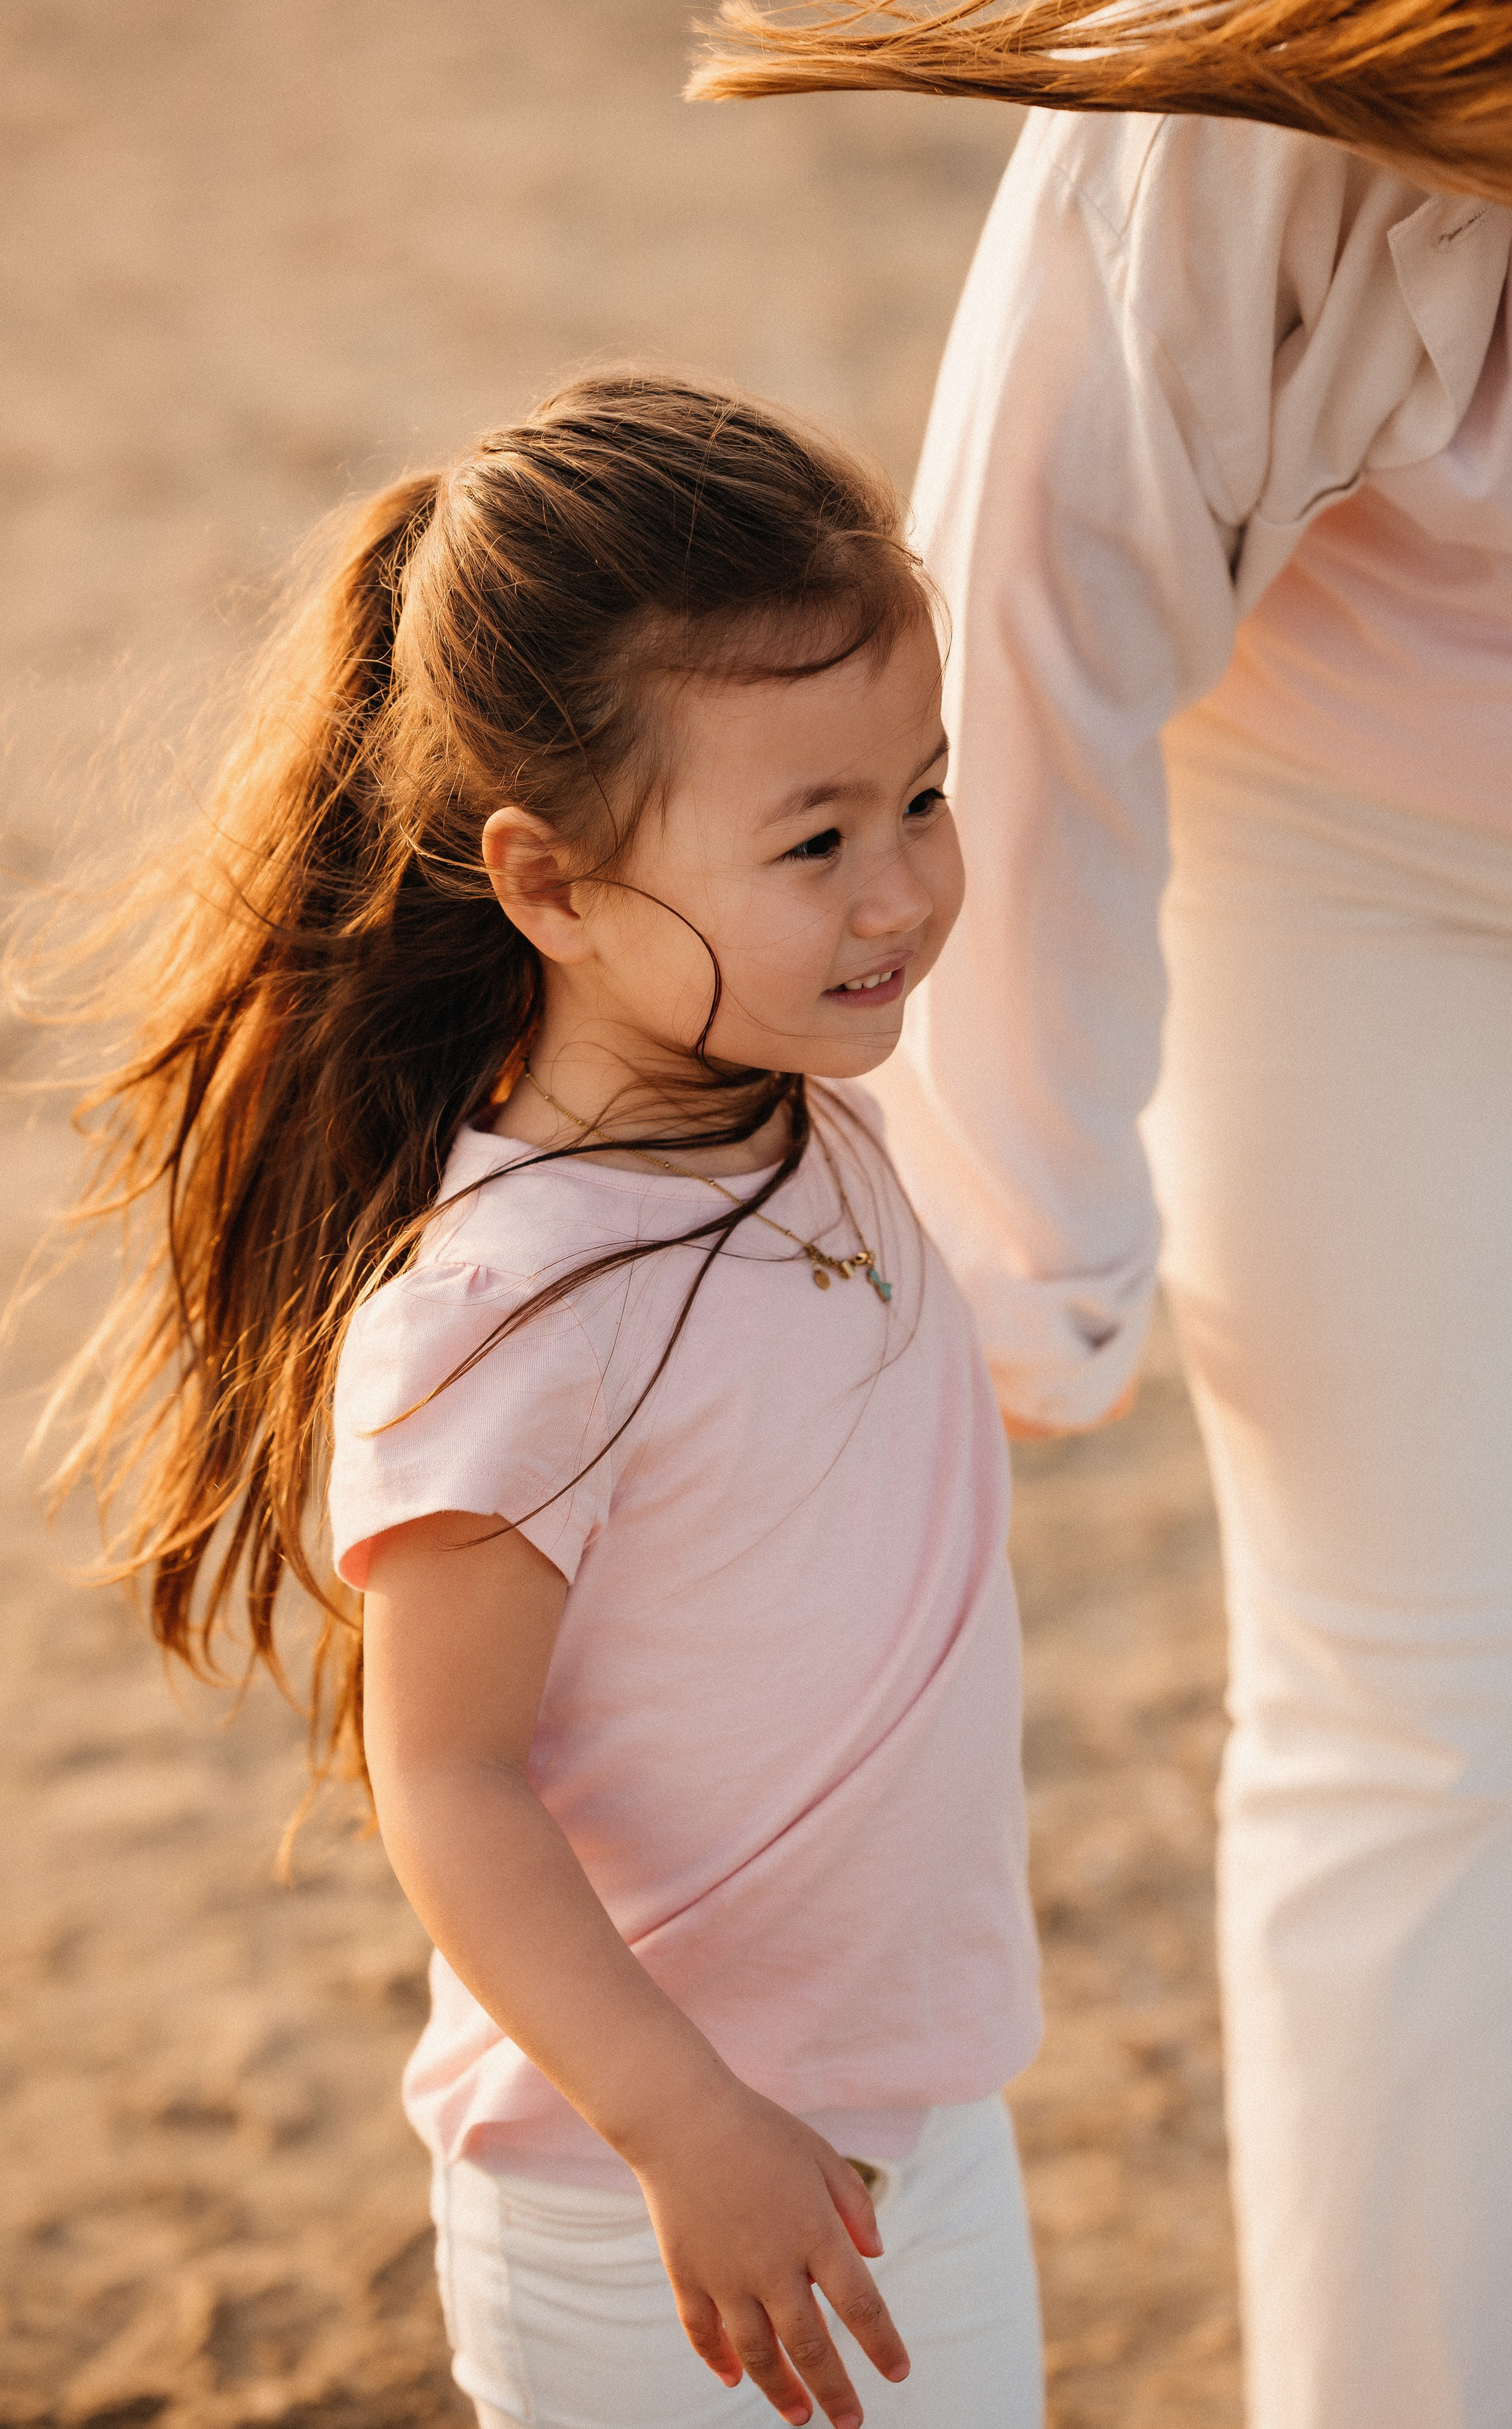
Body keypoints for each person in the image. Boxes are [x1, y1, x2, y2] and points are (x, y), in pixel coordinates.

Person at [692, 8, 1512, 2428]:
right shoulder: (1260, 107)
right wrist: (1029, 1238)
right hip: (1355, 829)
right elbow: (1032, 609)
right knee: (1413, 1699)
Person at [47, 375, 1045, 2429]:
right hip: (639, 2198)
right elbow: (452, 1782)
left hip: (923, 2134)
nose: (901, 895)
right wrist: (688, 2129)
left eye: (921, 800)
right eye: (814, 838)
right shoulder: (509, 1313)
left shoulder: (809, 1106)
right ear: (554, 885)